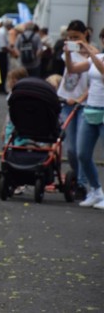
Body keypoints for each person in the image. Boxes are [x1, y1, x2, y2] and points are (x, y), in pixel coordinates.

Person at [64, 28, 104, 209]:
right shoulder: (96, 58)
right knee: (82, 154)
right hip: (91, 108)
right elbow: (72, 69)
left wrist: (89, 52)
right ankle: (96, 190)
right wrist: (68, 54)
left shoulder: (96, 58)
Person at [57, 20, 92, 197]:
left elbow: (94, 83)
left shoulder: (94, 55)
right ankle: (77, 177)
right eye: (69, 37)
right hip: (66, 101)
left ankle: (81, 183)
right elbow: (70, 68)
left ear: (85, 33)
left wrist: (79, 99)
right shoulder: (69, 53)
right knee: (70, 149)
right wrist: (69, 52)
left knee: (81, 149)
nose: (72, 40)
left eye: (75, 37)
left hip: (83, 104)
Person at [0, 20, 11, 93]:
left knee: (3, 71)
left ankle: (1, 87)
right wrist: (11, 51)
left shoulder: (3, 31)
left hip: (1, 53)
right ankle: (1, 88)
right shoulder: (2, 32)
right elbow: (3, 46)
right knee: (2, 71)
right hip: (1, 53)